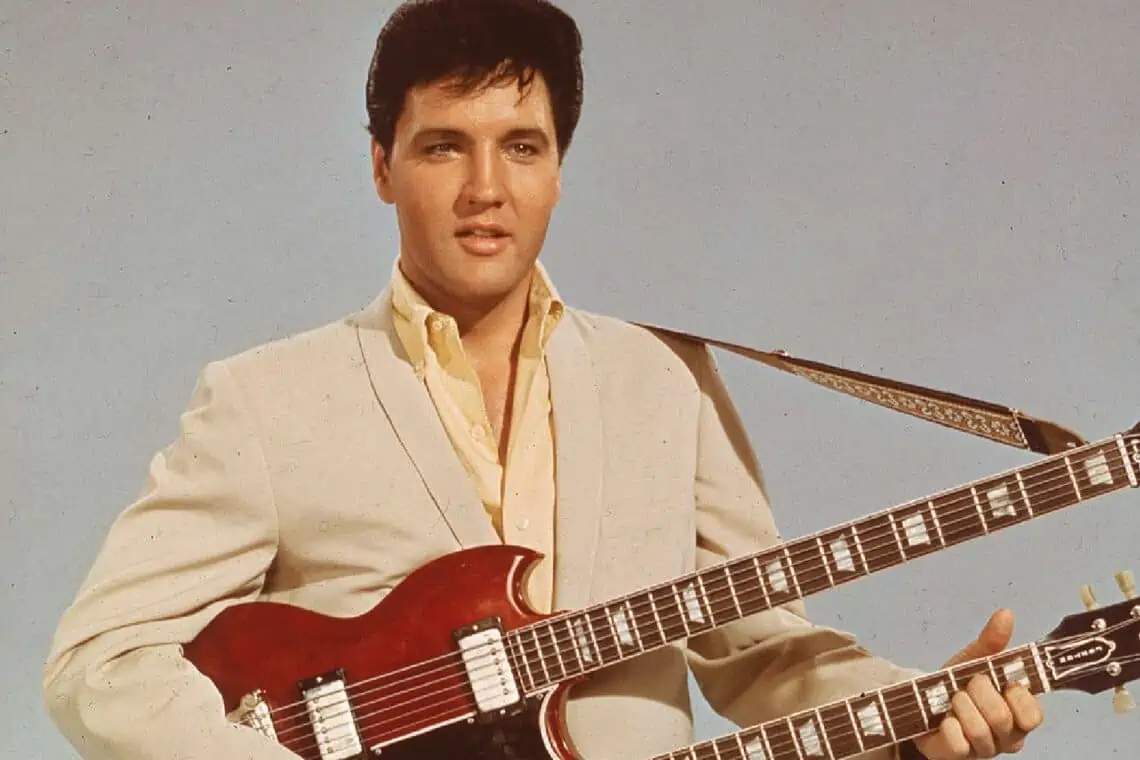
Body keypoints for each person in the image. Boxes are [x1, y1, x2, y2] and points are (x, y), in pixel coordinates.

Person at [42, 1, 1044, 758]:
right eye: (445, 147)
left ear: (559, 168)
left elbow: (760, 654)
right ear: (382, 165)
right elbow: (99, 664)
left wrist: (915, 713)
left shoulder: (667, 380)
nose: (486, 190)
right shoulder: (265, 401)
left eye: (521, 148)